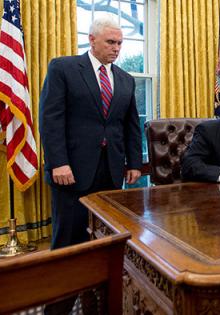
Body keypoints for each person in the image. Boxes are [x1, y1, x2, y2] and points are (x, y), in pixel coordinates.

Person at [39, 17, 142, 314]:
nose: (117, 48)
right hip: (70, 174)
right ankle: (57, 308)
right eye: (111, 42)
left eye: (120, 43)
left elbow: (131, 124)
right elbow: (50, 119)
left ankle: (97, 304)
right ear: (92, 40)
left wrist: (134, 161)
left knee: (104, 244)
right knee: (68, 245)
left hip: (111, 172)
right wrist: (58, 162)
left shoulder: (125, 78)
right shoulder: (64, 68)